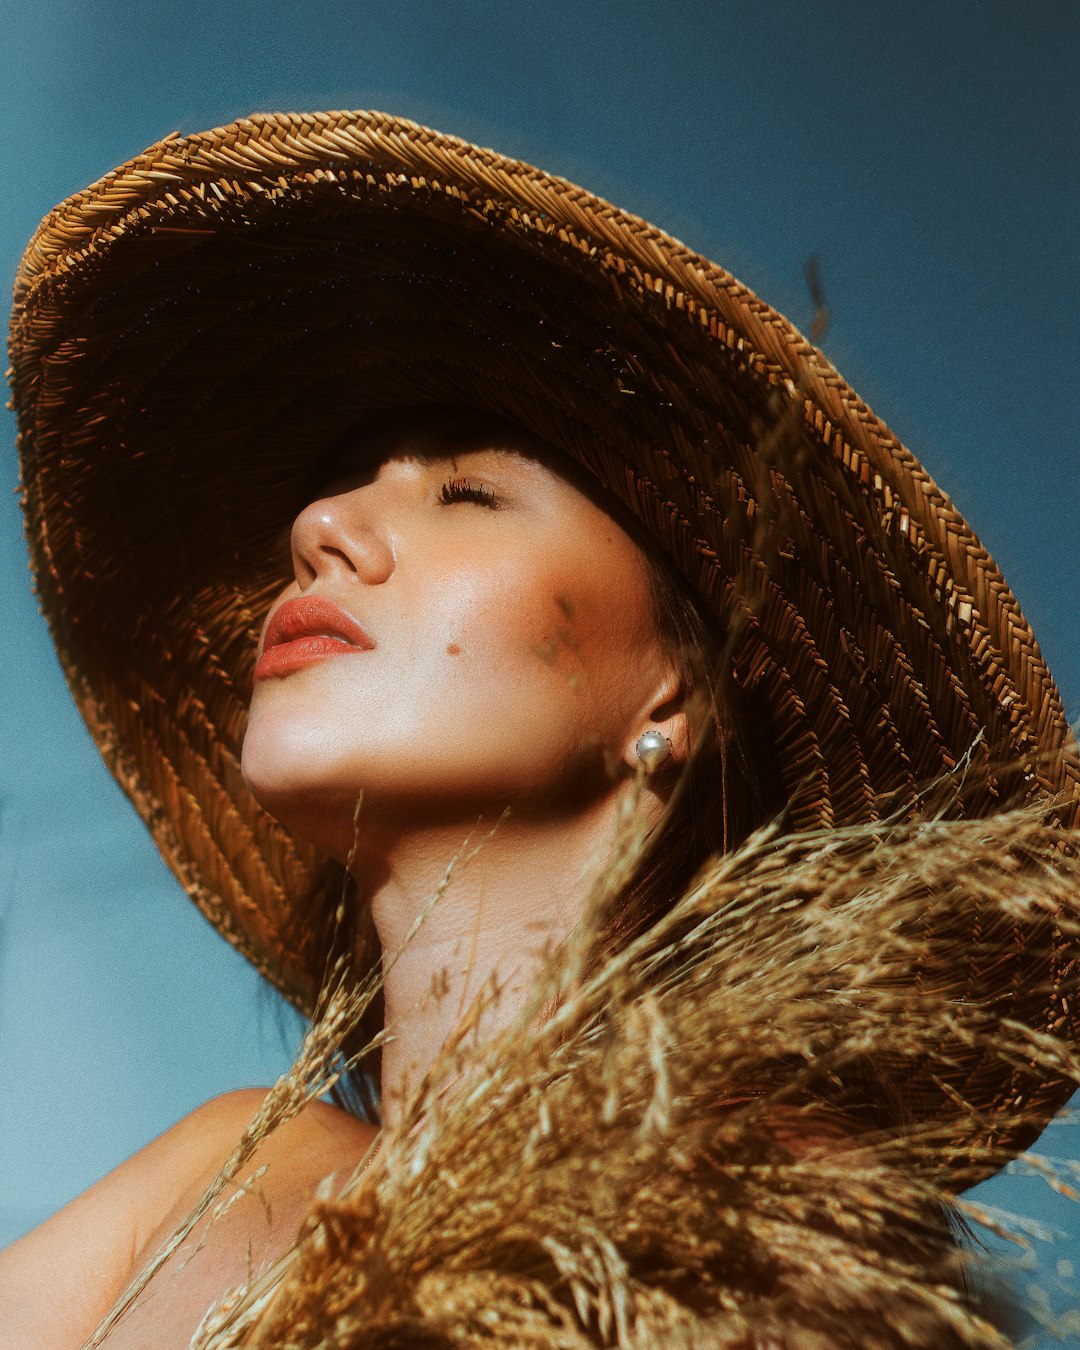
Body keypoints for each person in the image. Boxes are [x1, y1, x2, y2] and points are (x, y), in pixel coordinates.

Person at [2, 110, 1078, 1348]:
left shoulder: (753, 1232)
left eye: (467, 492)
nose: (321, 525)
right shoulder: (217, 1178)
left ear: (671, 698)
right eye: (339, 487)